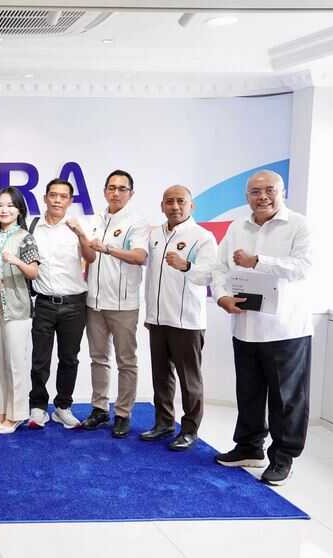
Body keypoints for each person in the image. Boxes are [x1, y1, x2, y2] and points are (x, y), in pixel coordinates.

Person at [212, 170, 313, 485]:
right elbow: (219, 267)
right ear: (247, 197)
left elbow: (303, 267)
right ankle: (249, 447)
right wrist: (222, 296)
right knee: (249, 392)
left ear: (282, 192)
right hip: (245, 325)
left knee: (286, 399)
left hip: (286, 329)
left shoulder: (299, 225)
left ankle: (283, 459)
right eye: (255, 192)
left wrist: (258, 261)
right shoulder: (237, 227)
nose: (263, 197)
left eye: (270, 190)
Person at [141, 185, 217, 451]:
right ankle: (163, 423)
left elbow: (210, 275)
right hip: (158, 318)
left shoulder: (202, 237)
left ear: (191, 206)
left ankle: (189, 430)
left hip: (187, 321)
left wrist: (187, 266)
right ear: (162, 206)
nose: (175, 206)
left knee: (189, 380)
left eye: (180, 201)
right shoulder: (154, 234)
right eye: (169, 201)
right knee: (161, 377)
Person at [80, 170, 149, 438]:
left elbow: (140, 257)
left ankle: (123, 413)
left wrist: (107, 248)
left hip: (123, 304)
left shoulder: (137, 223)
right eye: (111, 187)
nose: (116, 193)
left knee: (126, 361)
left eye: (122, 188)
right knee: (98, 358)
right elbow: (87, 254)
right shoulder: (95, 220)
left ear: (131, 193)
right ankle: (99, 408)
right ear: (104, 191)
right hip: (94, 302)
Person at [28, 178, 96, 429]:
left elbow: (91, 257)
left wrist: (80, 234)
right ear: (45, 198)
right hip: (44, 303)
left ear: (70, 201)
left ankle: (63, 407)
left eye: (63, 196)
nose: (57, 200)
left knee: (69, 358)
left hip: (74, 305)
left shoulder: (79, 226)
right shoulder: (32, 226)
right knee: (40, 359)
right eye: (53, 195)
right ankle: (37, 407)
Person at [0, 187, 40, 434]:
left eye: (10, 205)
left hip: (16, 309)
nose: (4, 210)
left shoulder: (25, 237)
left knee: (15, 364)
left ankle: (16, 415)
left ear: (19, 210)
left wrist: (16, 261)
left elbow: (34, 272)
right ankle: (1, 410)